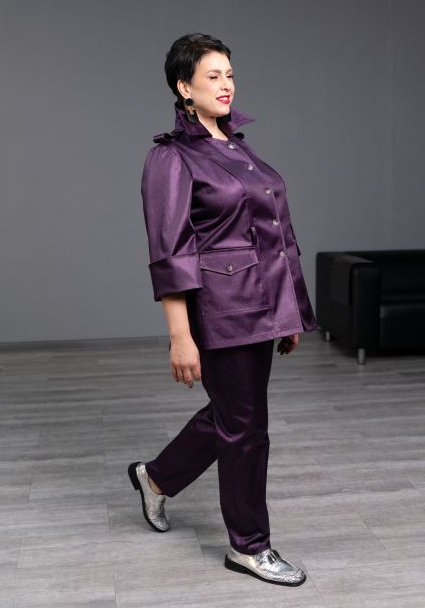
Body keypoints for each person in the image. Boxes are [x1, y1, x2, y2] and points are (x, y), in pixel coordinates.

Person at [128, 33, 319, 586]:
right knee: (247, 427)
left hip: (263, 306)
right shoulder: (171, 156)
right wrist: (179, 336)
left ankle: (155, 478)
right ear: (184, 88)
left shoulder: (238, 147)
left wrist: (286, 311)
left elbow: (272, 234)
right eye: (212, 76)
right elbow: (170, 252)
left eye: (229, 73)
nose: (226, 84)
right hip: (222, 310)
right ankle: (249, 547)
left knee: (235, 417)